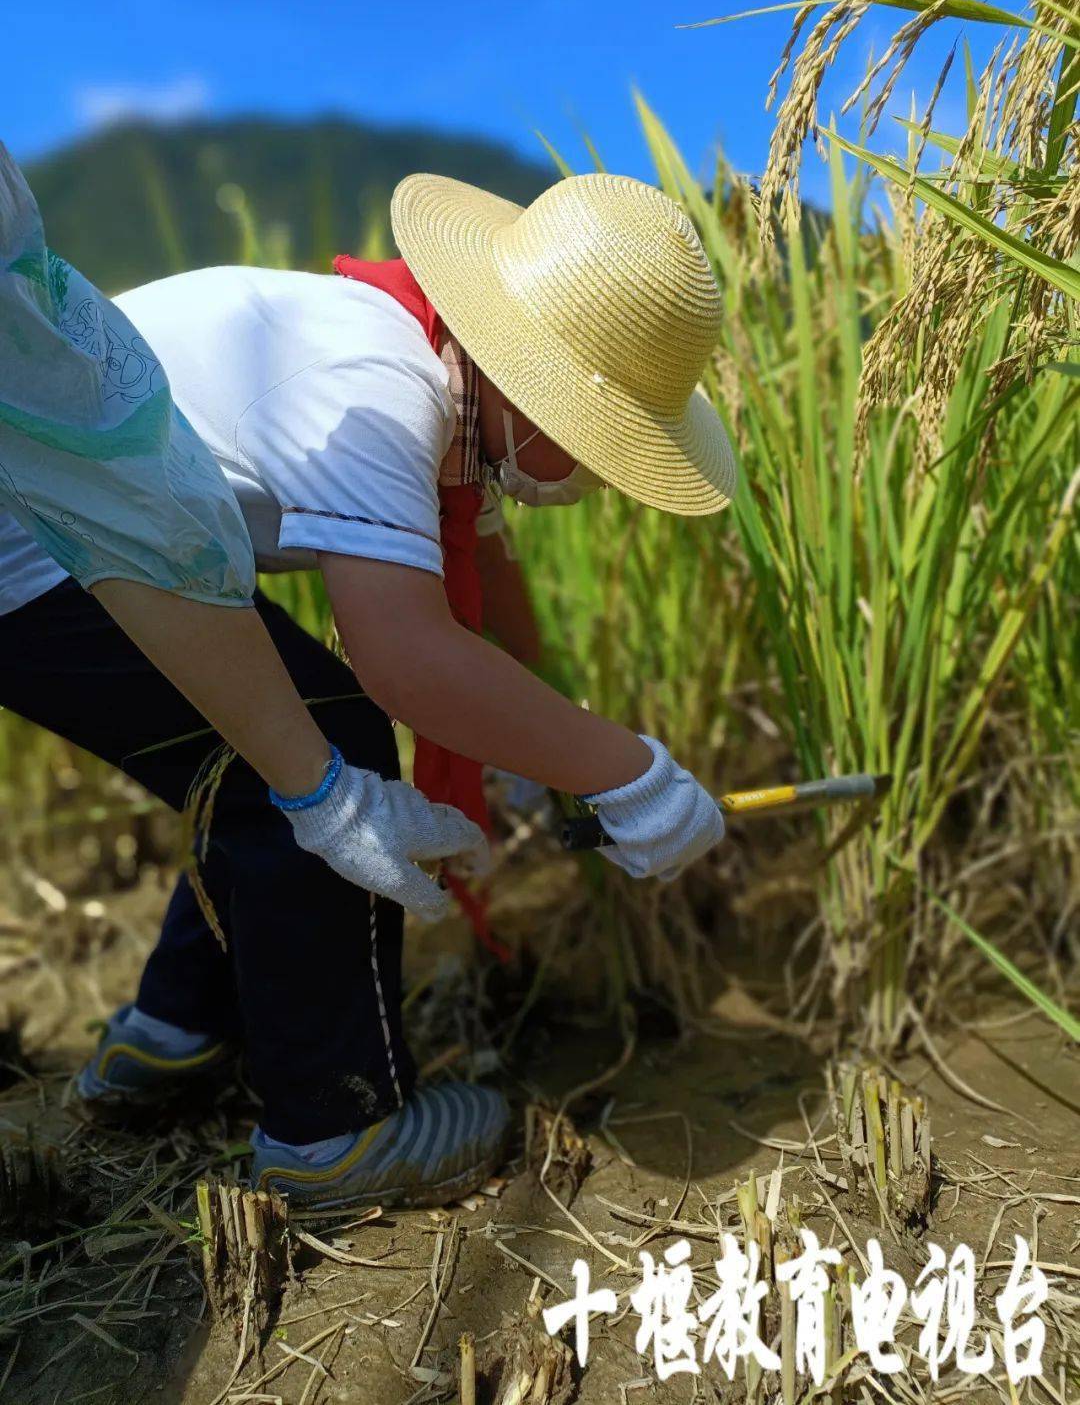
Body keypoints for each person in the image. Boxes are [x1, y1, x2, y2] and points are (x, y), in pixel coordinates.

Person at [1, 166, 736, 1210]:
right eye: (596, 443)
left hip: (71, 544)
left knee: (250, 755)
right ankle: (336, 1130)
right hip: (48, 549)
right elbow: (408, 659)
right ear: (532, 386)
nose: (587, 481)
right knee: (321, 755)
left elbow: (498, 612)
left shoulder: (428, 366)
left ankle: (171, 1034)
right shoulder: (384, 385)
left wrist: (548, 763)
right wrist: (632, 773)